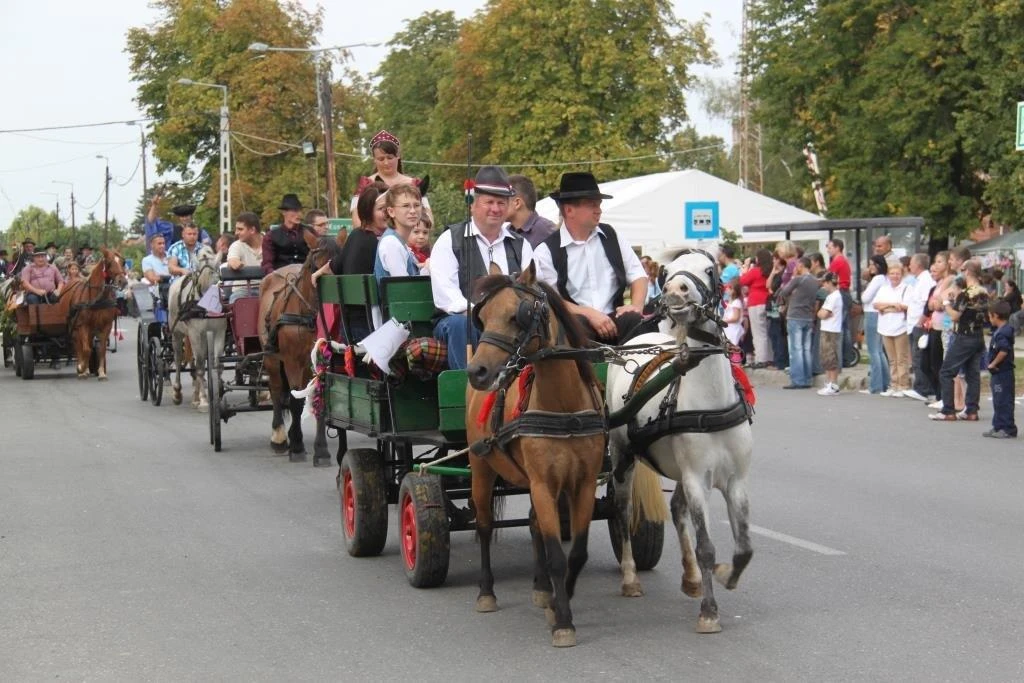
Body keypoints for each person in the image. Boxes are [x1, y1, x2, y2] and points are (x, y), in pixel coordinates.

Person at [431, 165, 532, 370]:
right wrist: (484, 316)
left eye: (501, 203)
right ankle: (466, 393)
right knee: (462, 326)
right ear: (474, 205)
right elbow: (447, 298)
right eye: (489, 202)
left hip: (507, 321)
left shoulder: (521, 245)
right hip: (460, 321)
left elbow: (531, 289)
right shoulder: (450, 240)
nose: (495, 209)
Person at [534, 172, 648, 344]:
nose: (599, 210)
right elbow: (552, 300)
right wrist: (589, 313)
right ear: (569, 210)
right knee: (575, 326)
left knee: (634, 320)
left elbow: (638, 275)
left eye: (599, 204)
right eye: (592, 204)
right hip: (577, 327)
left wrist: (636, 307)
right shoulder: (545, 251)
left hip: (616, 321)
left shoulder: (611, 236)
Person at [929, 260, 988, 422]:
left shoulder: (966, 293)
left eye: (962, 270)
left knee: (947, 371)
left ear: (968, 272)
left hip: (964, 336)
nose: (960, 273)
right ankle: (971, 410)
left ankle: (948, 410)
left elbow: (955, 316)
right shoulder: (984, 292)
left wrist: (947, 303)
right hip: (978, 336)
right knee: (972, 374)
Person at [351, 130, 431, 227]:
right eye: (381, 159)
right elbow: (357, 219)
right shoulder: (366, 184)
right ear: (374, 160)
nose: (386, 163)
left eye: (389, 158)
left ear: (398, 156)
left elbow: (428, 218)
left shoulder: (413, 184)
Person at [778, 257, 819, 389]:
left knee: (796, 349)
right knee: (806, 349)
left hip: (795, 316)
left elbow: (783, 292)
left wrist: (793, 277)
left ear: (801, 266)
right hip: (808, 316)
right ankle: (807, 379)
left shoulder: (798, 279)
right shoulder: (814, 281)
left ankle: (798, 380)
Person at [874, 262, 911, 397]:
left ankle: (903, 385)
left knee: (901, 358)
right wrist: (892, 305)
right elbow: (876, 305)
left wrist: (887, 308)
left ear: (902, 275)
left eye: (897, 273)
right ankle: (894, 384)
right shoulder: (884, 289)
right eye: (892, 273)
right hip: (885, 327)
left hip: (900, 327)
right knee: (892, 359)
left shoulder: (907, 288)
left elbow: (905, 306)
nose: (894, 276)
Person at [904, 253, 936, 401]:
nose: (909, 266)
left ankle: (922, 388)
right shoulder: (918, 280)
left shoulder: (925, 280)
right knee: (917, 356)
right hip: (913, 323)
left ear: (917, 264)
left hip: (920, 324)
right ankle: (925, 387)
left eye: (911, 263)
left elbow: (925, 303)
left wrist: (920, 322)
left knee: (919, 357)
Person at [374, 183, 422, 282]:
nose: (413, 211)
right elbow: (404, 289)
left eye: (417, 205)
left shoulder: (398, 241)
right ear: (391, 212)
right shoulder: (391, 243)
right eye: (406, 206)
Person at [859, 255, 891, 395]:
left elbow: (865, 297)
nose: (869, 267)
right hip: (879, 314)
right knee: (879, 350)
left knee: (873, 350)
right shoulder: (885, 279)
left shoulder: (877, 279)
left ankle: (876, 385)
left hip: (871, 313)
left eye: (872, 264)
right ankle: (884, 382)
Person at [984, 300, 1016, 438]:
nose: (989, 319)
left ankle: (1007, 428)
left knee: (1003, 400)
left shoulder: (1002, 333)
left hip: (1002, 372)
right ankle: (997, 425)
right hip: (998, 374)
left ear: (995, 316)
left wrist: (993, 364)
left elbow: (1003, 350)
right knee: (997, 400)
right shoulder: (1000, 331)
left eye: (989, 316)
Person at [740, 249, 772, 368]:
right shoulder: (769, 271)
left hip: (755, 302)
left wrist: (746, 267)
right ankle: (769, 357)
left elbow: (743, 281)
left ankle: (761, 359)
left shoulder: (755, 271)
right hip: (766, 302)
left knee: (758, 333)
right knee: (766, 332)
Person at [262, 194, 310, 274]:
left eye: (300, 211)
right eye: (295, 211)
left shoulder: (310, 232)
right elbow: (267, 263)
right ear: (284, 212)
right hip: (282, 277)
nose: (299, 214)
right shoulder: (271, 236)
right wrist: (275, 276)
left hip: (306, 276)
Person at [506, 174, 557, 249]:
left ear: (517, 203)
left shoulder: (546, 231)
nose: (496, 208)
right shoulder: (507, 232)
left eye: (502, 201)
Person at [145, 196, 211, 253]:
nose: (185, 218)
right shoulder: (171, 229)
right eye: (182, 216)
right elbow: (151, 221)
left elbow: (207, 248)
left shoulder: (201, 232)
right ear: (179, 217)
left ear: (191, 216)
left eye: (187, 215)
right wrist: (154, 205)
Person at [826, 238, 855, 366]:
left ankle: (843, 357)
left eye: (830, 247)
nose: (828, 250)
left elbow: (828, 277)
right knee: (845, 326)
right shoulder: (843, 260)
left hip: (841, 292)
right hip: (845, 292)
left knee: (840, 326)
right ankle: (847, 356)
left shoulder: (837, 261)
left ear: (837, 248)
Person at [225, 212, 264, 302]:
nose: (236, 233)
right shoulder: (236, 245)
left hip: (267, 288)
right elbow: (232, 260)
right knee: (236, 301)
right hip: (243, 289)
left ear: (252, 230)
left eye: (240, 229)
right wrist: (234, 263)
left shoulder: (269, 243)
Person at [816, 271, 843, 396]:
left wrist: (821, 313)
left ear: (828, 283)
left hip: (831, 330)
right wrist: (822, 313)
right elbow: (822, 313)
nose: (823, 286)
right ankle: (829, 383)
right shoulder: (831, 296)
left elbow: (823, 313)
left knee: (831, 357)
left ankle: (833, 383)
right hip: (827, 328)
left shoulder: (834, 297)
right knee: (826, 357)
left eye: (824, 283)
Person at [722, 281, 745, 364]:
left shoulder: (736, 302)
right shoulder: (730, 302)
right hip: (729, 328)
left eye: (730, 288)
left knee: (734, 347)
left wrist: (724, 321)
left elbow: (736, 317)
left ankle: (736, 363)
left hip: (734, 328)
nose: (727, 290)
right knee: (730, 347)